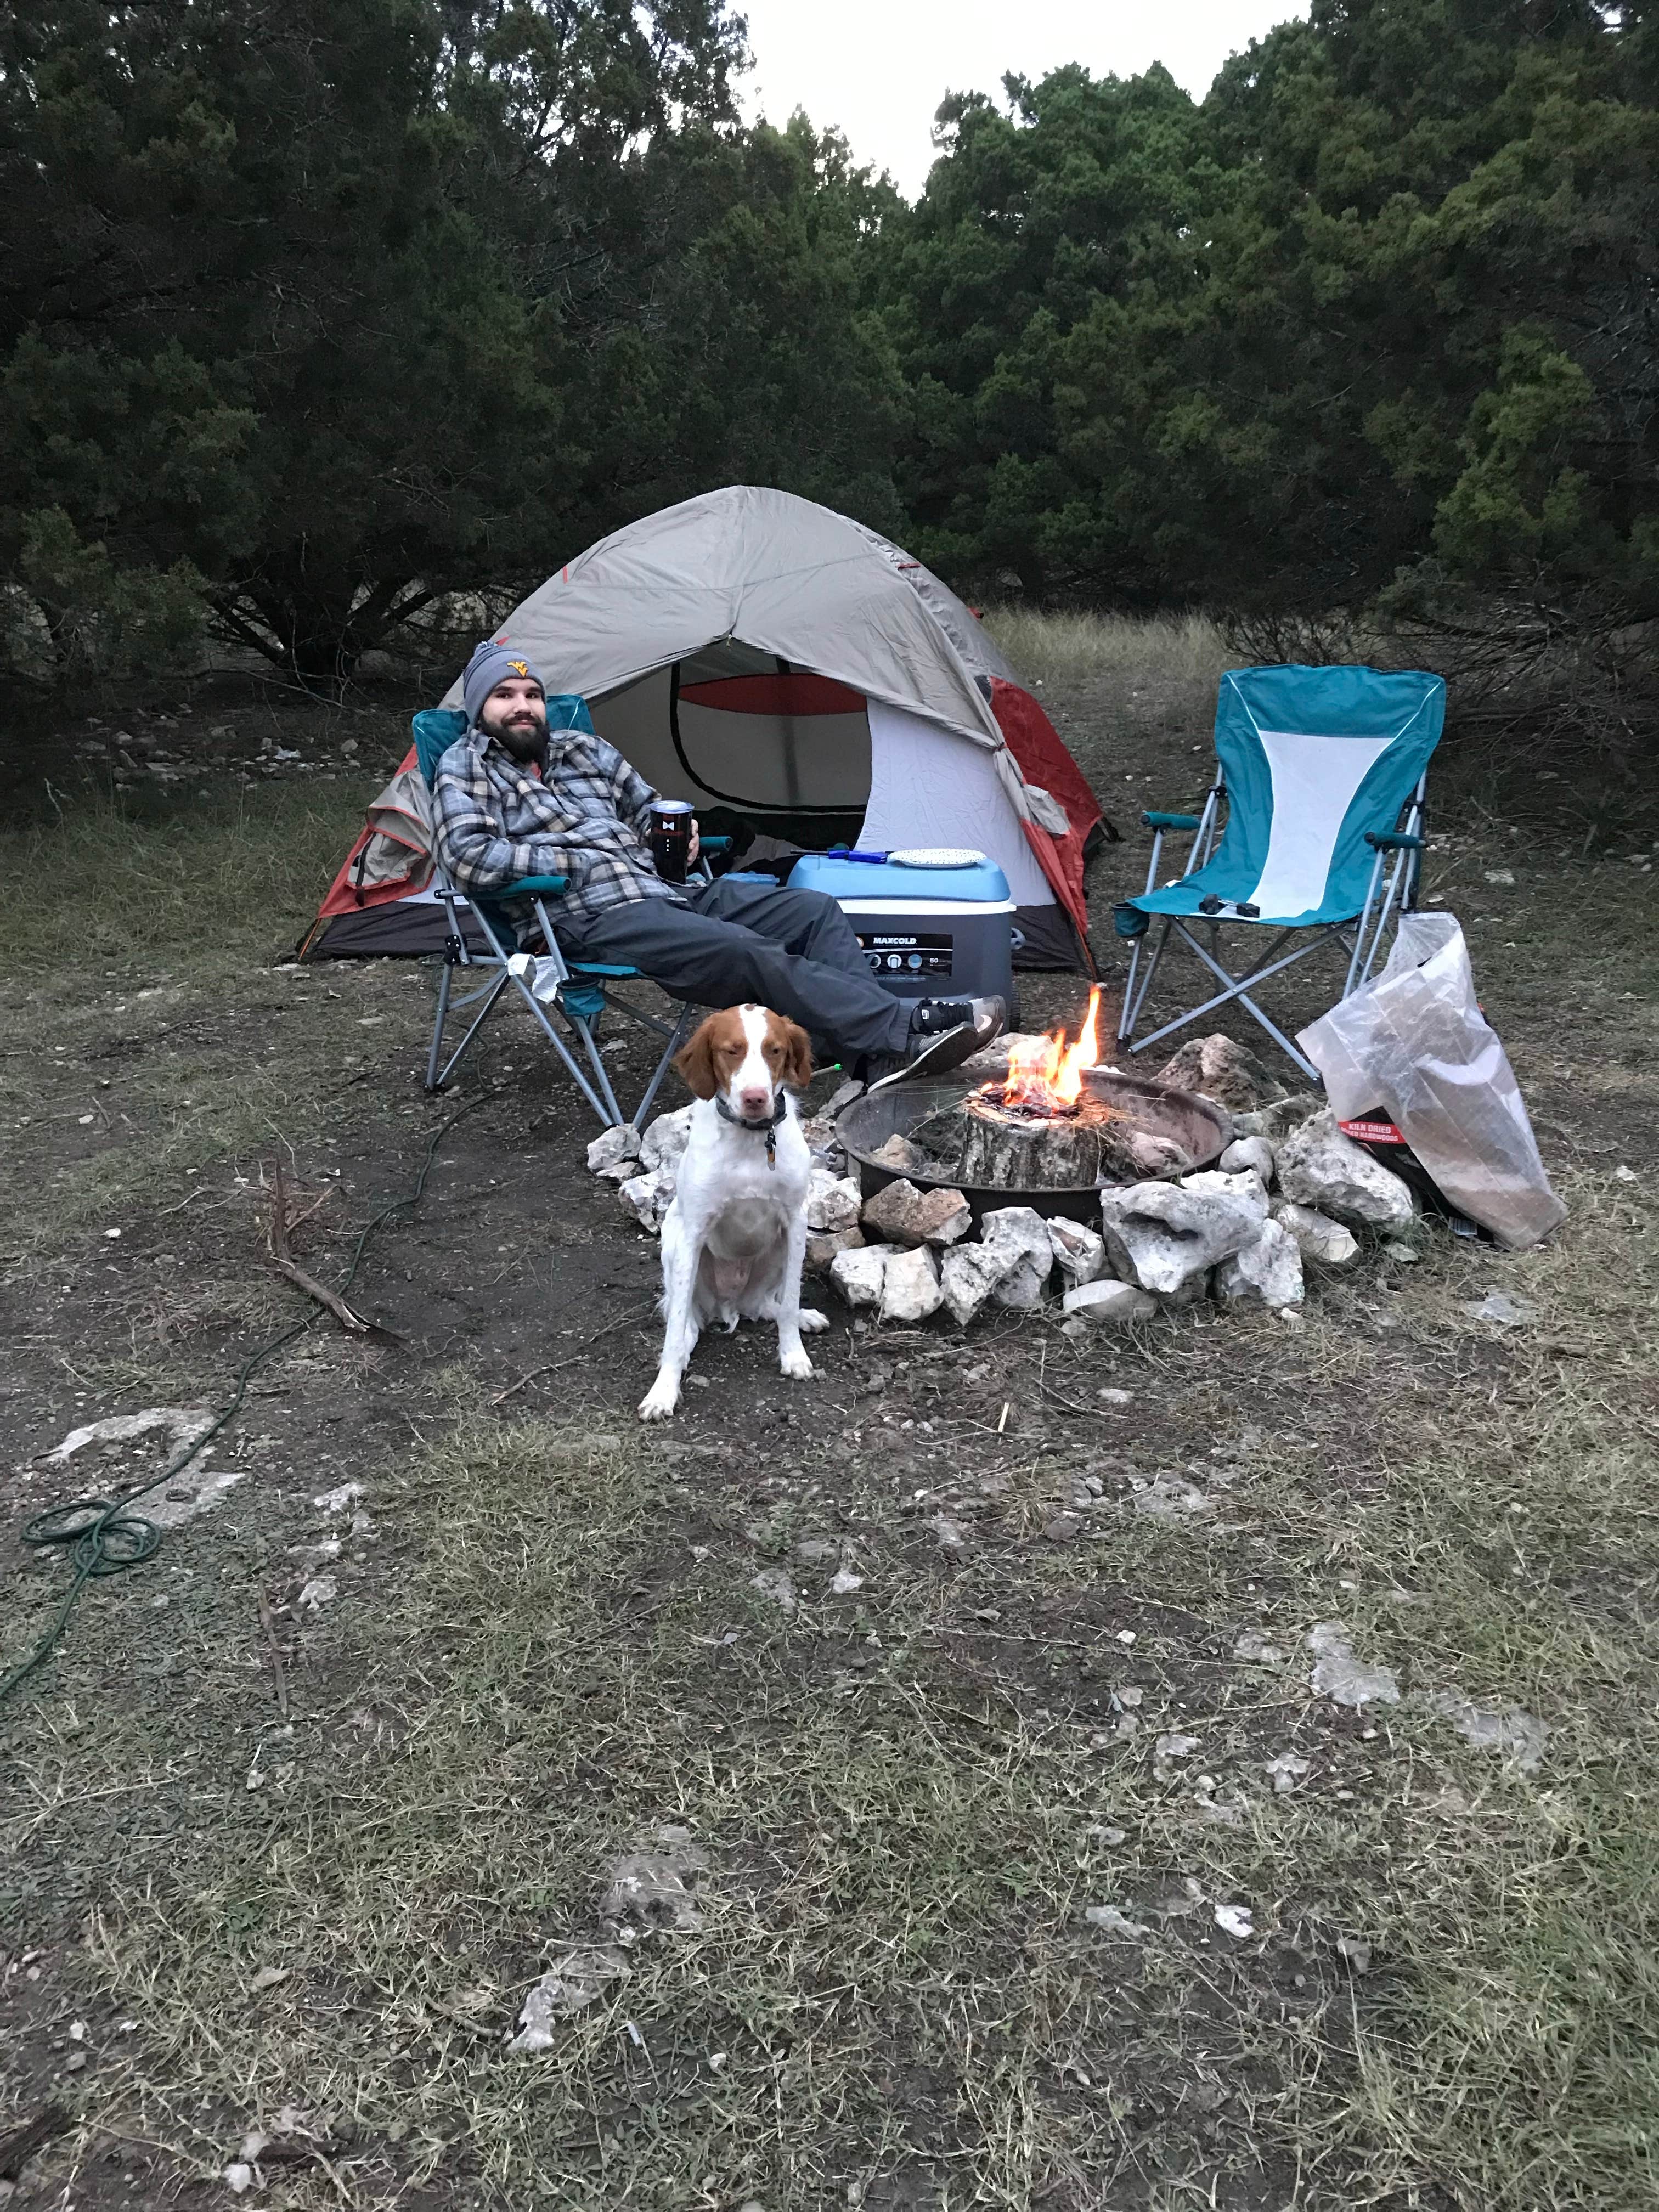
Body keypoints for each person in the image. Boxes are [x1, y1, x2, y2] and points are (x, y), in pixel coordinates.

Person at [430, 640, 1005, 1084]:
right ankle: (899, 1030)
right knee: (745, 949)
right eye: (504, 696)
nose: (523, 707)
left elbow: (650, 807)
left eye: (531, 696)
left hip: (665, 894)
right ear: (481, 708)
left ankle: (863, 1060)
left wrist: (676, 833)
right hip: (584, 915)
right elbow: (468, 857)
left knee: (814, 911)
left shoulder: (582, 749)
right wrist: (573, 859)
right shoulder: (467, 766)